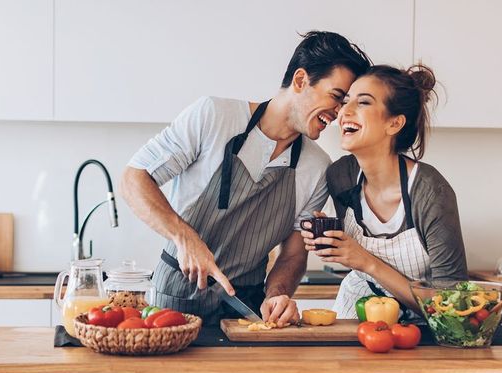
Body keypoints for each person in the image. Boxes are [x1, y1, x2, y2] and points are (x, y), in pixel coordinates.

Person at [122, 31, 372, 325]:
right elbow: (134, 178)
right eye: (337, 97)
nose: (341, 113)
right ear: (301, 80)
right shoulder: (214, 117)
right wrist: (184, 237)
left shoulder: (317, 167)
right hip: (175, 300)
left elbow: (292, 254)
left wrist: (277, 295)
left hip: (246, 309)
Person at [302, 64, 468, 319]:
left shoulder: (431, 192)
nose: (344, 111)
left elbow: (452, 307)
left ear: (395, 123)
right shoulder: (341, 175)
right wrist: (332, 237)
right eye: (346, 101)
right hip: (357, 308)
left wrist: (364, 260)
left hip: (424, 325)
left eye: (363, 102)